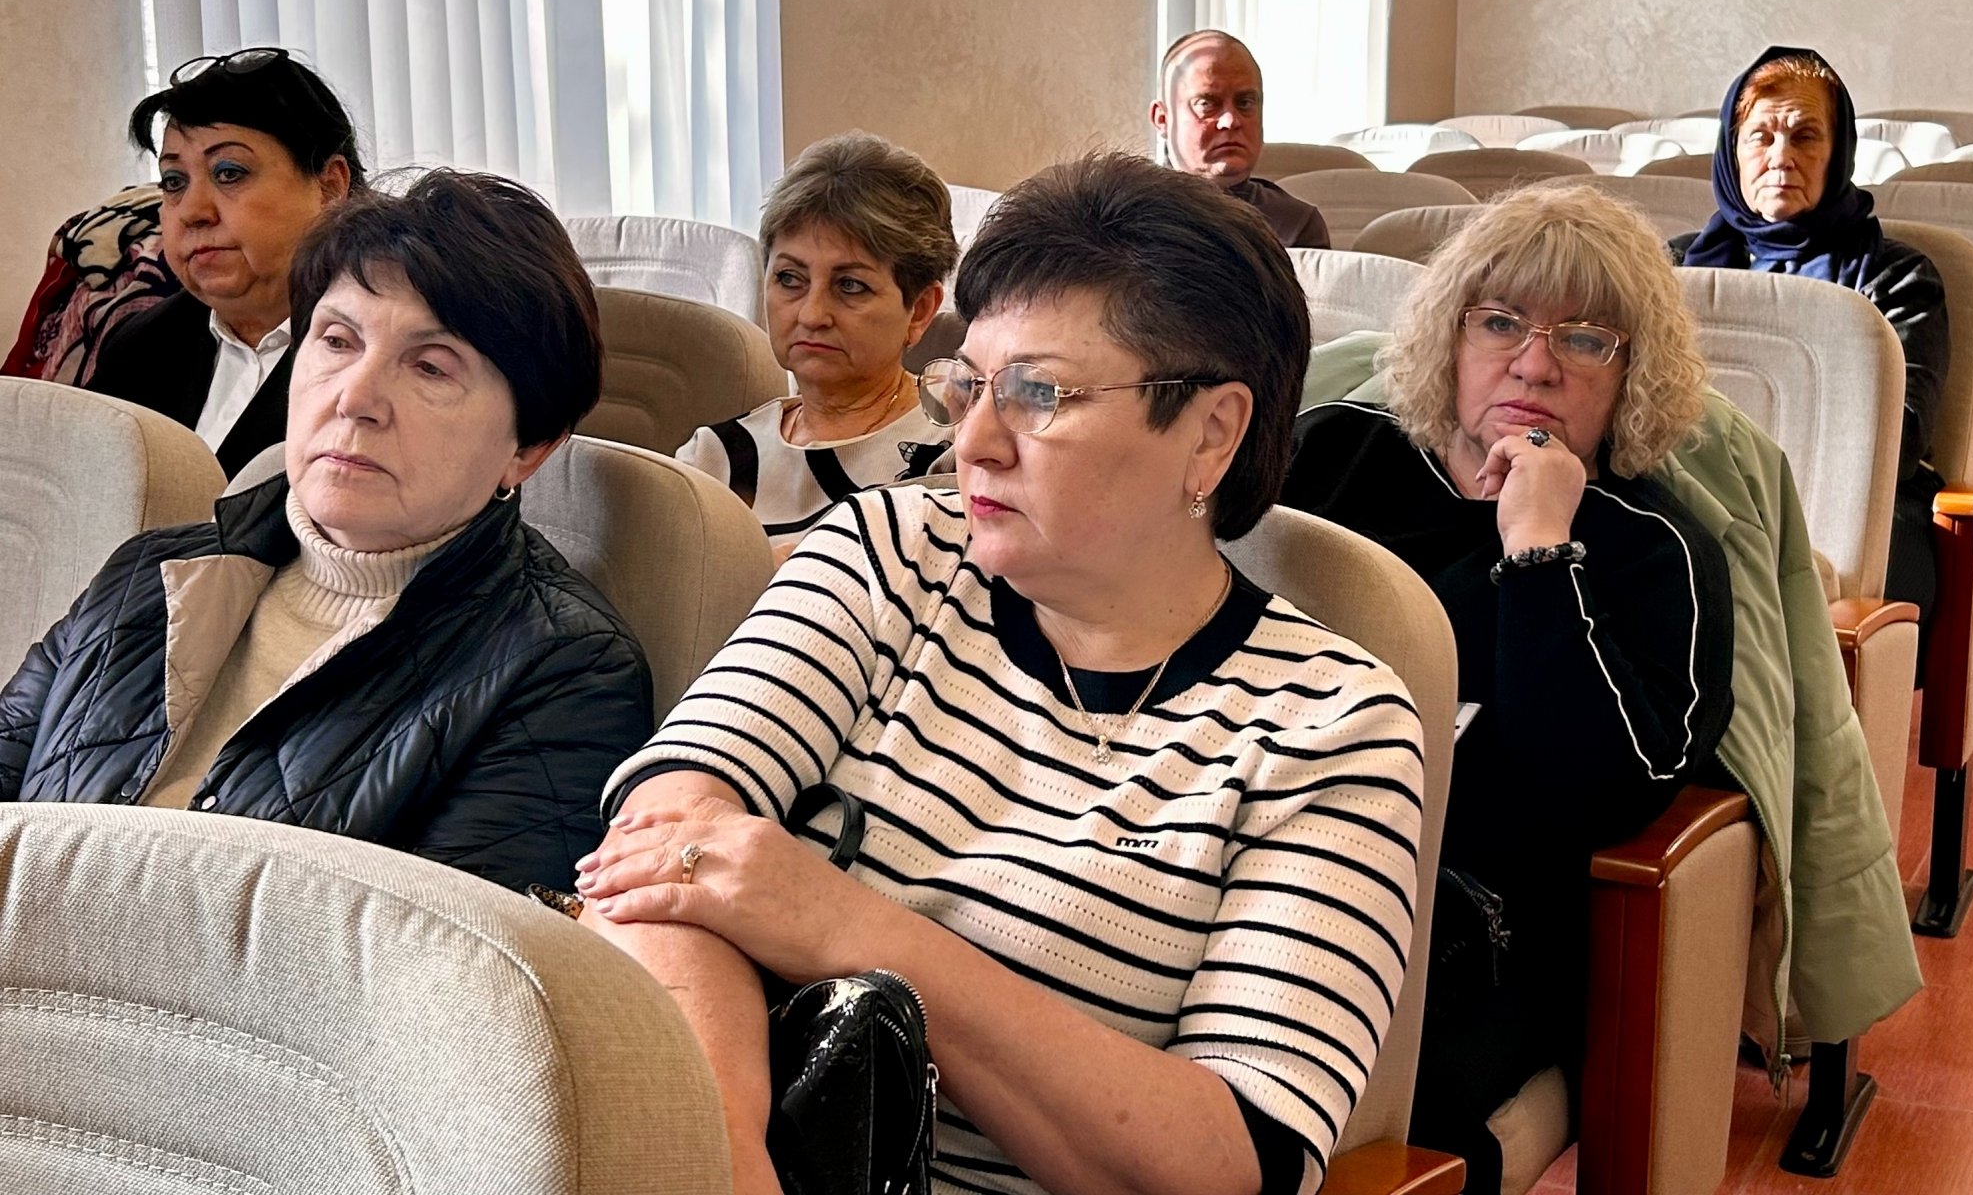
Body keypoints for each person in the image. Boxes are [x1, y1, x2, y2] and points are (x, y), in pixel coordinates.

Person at [574, 154, 1423, 1195]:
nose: (972, 442)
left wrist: (844, 926)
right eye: (968, 384)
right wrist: (725, 1165)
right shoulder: (885, 552)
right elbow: (662, 844)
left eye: (1036, 394)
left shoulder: (1334, 726)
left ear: (1211, 433)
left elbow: (1230, 1163)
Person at [2, 172, 652, 894]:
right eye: (338, 340)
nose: (356, 397)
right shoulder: (147, 573)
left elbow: (441, 952)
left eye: (431, 366)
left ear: (529, 448)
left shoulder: (565, 669)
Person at [1283, 181, 1736, 1195]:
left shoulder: (1655, 549)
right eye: (1499, 323)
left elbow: (1601, 793)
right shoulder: (1332, 453)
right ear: (1448, 337)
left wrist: (1537, 547)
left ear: (1633, 374)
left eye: (1584, 339)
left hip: (1472, 927)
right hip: (1264, 840)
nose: (1533, 364)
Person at [1674, 45, 1948, 613]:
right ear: (1732, 150)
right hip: (1691, 488)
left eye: (1805, 137)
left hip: (1854, 509)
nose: (1781, 157)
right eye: (1760, 136)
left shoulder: (1896, 275)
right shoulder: (1672, 268)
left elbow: (1900, 437)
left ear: (1839, 151)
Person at [87, 48, 370, 479]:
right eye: (174, 182)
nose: (193, 211)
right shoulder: (139, 349)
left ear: (330, 187)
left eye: (229, 173)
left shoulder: (387, 349)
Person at [679, 132, 956, 543]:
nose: (811, 315)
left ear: (919, 310)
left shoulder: (958, 452)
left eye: (850, 286)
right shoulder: (712, 458)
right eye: (790, 279)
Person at [1150, 29, 1332, 248]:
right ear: (1162, 119)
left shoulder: (1295, 225)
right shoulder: (1127, 214)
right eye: (1207, 104)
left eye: (1245, 103)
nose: (1230, 121)